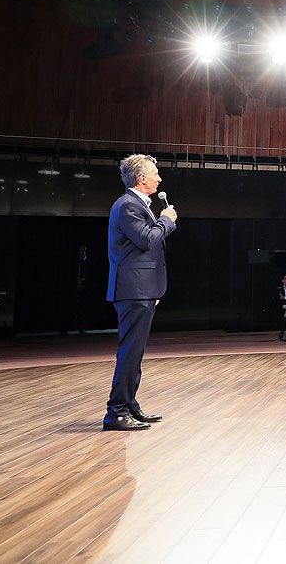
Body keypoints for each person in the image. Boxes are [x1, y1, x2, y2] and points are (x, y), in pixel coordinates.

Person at [104, 154, 177, 431]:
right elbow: (147, 239)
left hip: (141, 289)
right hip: (133, 289)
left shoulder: (135, 205)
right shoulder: (127, 206)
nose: (159, 178)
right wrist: (166, 221)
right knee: (130, 352)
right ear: (141, 178)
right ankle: (116, 411)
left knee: (135, 352)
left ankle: (129, 405)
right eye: (155, 174)